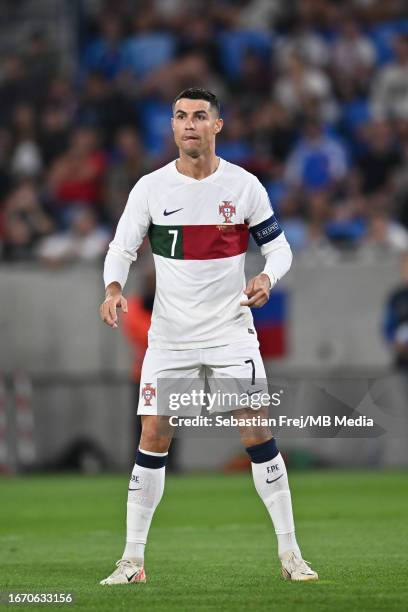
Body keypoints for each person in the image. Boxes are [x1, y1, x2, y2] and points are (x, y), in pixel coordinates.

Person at [99, 87, 318, 584]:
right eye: (181, 116)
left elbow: (279, 249)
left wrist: (266, 277)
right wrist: (113, 288)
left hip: (230, 332)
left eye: (200, 116)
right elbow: (121, 248)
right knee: (154, 435)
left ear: (217, 125)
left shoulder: (244, 187)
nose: (189, 124)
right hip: (170, 337)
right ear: (172, 127)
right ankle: (132, 563)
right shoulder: (150, 189)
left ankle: (291, 556)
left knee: (257, 434)